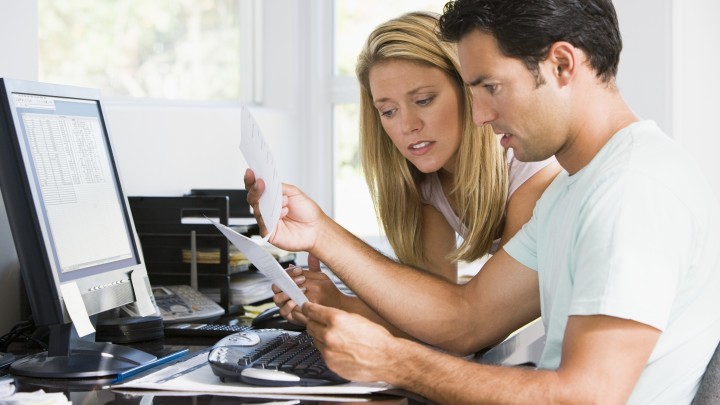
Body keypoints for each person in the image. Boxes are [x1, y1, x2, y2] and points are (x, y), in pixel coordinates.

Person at [245, 0, 720, 403]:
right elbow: (467, 319)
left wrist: (396, 360)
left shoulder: (633, 188)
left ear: (561, 65)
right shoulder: (575, 190)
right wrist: (320, 234)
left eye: (491, 87)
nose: (480, 115)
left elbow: (585, 395)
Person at [279, 11, 559, 329]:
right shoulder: (428, 185)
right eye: (388, 111)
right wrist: (337, 303)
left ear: (468, 90)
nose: (407, 126)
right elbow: (433, 319)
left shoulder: (530, 170)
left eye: (424, 100)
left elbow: (476, 324)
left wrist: (323, 234)